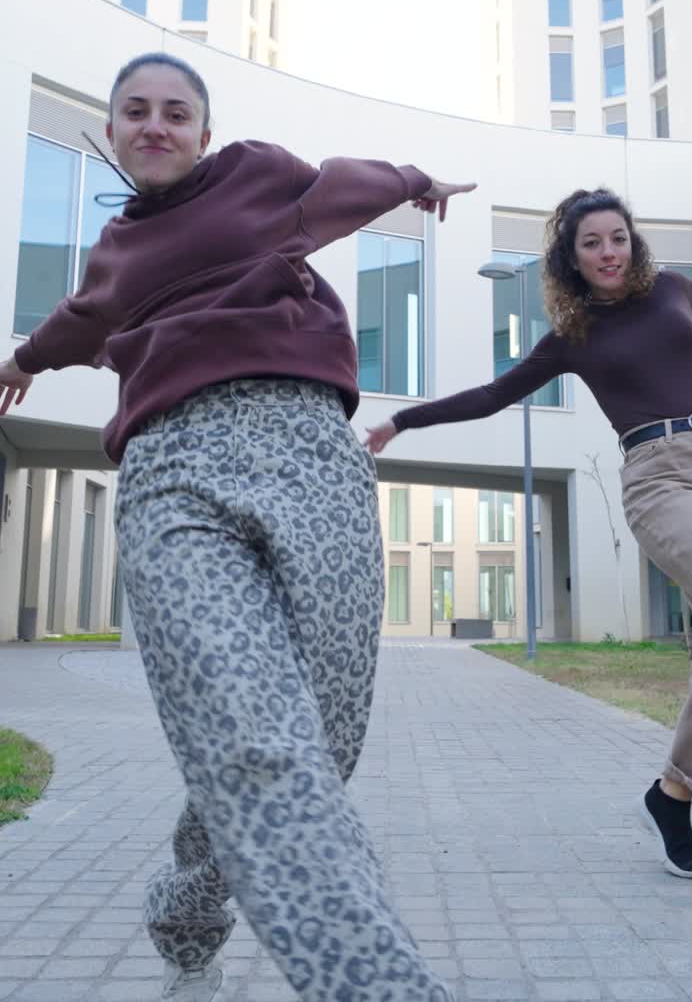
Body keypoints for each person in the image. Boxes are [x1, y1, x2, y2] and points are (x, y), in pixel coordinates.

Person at [0, 51, 476, 1002]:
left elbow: (342, 183)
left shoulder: (256, 176)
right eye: (135, 113)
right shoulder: (115, 256)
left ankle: (187, 904)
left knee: (324, 742)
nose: (156, 126)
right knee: (255, 736)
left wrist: (419, 182)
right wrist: (24, 362)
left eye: (177, 112)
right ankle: (375, 983)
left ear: (205, 133)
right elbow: (76, 321)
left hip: (309, 450)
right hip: (174, 470)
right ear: (115, 137)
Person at [366, 186, 692, 882]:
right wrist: (403, 420)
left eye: (617, 237)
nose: (609, 252)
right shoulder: (572, 338)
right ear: (572, 259)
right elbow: (492, 395)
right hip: (660, 479)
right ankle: (676, 790)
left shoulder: (674, 290)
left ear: (633, 242)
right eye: (592, 243)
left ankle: (673, 792)